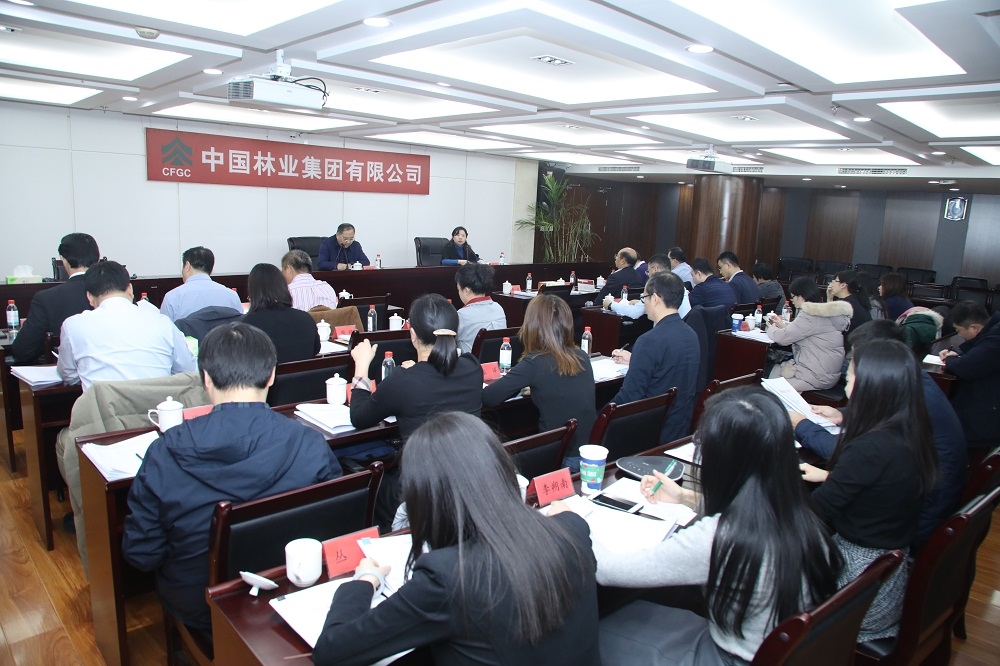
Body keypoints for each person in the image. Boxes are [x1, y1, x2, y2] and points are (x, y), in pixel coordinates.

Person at [311, 413, 599, 666]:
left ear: (428, 498)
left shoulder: (447, 577)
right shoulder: (572, 529)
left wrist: (363, 582)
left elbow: (332, 651)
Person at [580, 388, 841, 665]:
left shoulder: (720, 538)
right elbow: (747, 507)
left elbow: (608, 570)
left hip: (726, 657)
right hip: (762, 646)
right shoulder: (802, 514)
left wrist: (577, 521)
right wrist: (683, 496)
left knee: (588, 632)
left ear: (722, 461)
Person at [123, 323, 342, 644]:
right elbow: (335, 524)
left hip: (202, 604)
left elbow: (142, 554)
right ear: (271, 376)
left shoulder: (165, 451)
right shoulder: (309, 442)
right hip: (293, 589)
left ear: (206, 379)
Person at [801, 340, 938, 642]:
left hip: (857, 591)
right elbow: (880, 484)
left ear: (872, 386)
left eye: (850, 376)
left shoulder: (871, 448)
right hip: (887, 572)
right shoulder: (911, 428)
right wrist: (832, 477)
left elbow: (814, 513)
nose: (845, 382)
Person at [790, 320, 967, 550]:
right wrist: (844, 415)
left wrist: (803, 426)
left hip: (913, 519)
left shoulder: (878, 444)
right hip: (897, 520)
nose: (847, 374)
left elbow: (815, 509)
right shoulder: (909, 388)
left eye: (853, 368)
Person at [482, 294, 596, 471]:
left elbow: (489, 397)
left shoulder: (535, 362)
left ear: (532, 326)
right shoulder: (582, 356)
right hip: (590, 453)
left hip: (562, 457)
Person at [349, 293, 483, 439]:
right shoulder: (472, 367)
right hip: (471, 453)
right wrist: (415, 369)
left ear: (413, 334)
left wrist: (361, 365)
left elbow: (359, 418)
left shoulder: (401, 381)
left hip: (420, 455)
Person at [56, 261, 196, 390]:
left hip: (102, 408)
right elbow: (187, 369)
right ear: (130, 289)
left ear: (90, 297)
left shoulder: (73, 326)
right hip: (156, 407)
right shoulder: (162, 322)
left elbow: (69, 375)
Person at [609, 272, 699, 443]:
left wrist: (597, 418)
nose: (644, 303)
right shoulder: (691, 334)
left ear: (655, 299)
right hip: (680, 428)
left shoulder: (649, 340)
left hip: (650, 432)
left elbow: (629, 398)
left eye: (644, 298)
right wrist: (635, 359)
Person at [11, 232, 99, 364]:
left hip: (63, 372)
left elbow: (22, 350)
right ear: (97, 258)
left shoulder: (46, 298)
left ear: (63, 259)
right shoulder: (116, 293)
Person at [765, 277, 851, 391]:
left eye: (793, 296)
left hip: (814, 376)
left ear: (801, 296)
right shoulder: (823, 312)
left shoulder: (809, 315)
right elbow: (802, 332)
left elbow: (782, 338)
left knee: (767, 371)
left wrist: (770, 327)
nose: (792, 300)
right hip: (827, 374)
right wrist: (781, 325)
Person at [941, 301, 1000, 453]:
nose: (959, 335)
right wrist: (957, 354)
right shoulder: (993, 330)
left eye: (958, 330)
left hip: (987, 417)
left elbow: (965, 368)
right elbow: (978, 351)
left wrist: (949, 359)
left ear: (974, 327)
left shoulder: (996, 338)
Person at [242, 263, 320, 364]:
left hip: (269, 374)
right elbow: (316, 350)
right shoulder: (305, 318)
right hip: (305, 374)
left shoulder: (249, 324)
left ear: (253, 292)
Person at [158, 247, 242, 322]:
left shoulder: (173, 297)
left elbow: (165, 331)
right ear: (211, 269)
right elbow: (241, 328)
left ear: (187, 266)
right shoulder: (232, 296)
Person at [603, 253, 690, 319]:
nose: (648, 275)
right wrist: (641, 302)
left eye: (648, 271)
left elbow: (634, 313)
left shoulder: (656, 285)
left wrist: (610, 305)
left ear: (655, 269)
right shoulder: (678, 283)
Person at [455, 262, 506, 354]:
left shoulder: (461, 315)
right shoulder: (498, 308)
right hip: (497, 361)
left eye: (458, 289)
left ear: (466, 290)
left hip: (470, 362)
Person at [826, 270, 872, 349]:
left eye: (835, 281)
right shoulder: (855, 300)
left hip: (852, 349)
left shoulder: (844, 305)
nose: (831, 284)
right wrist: (829, 298)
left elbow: (829, 325)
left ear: (843, 285)